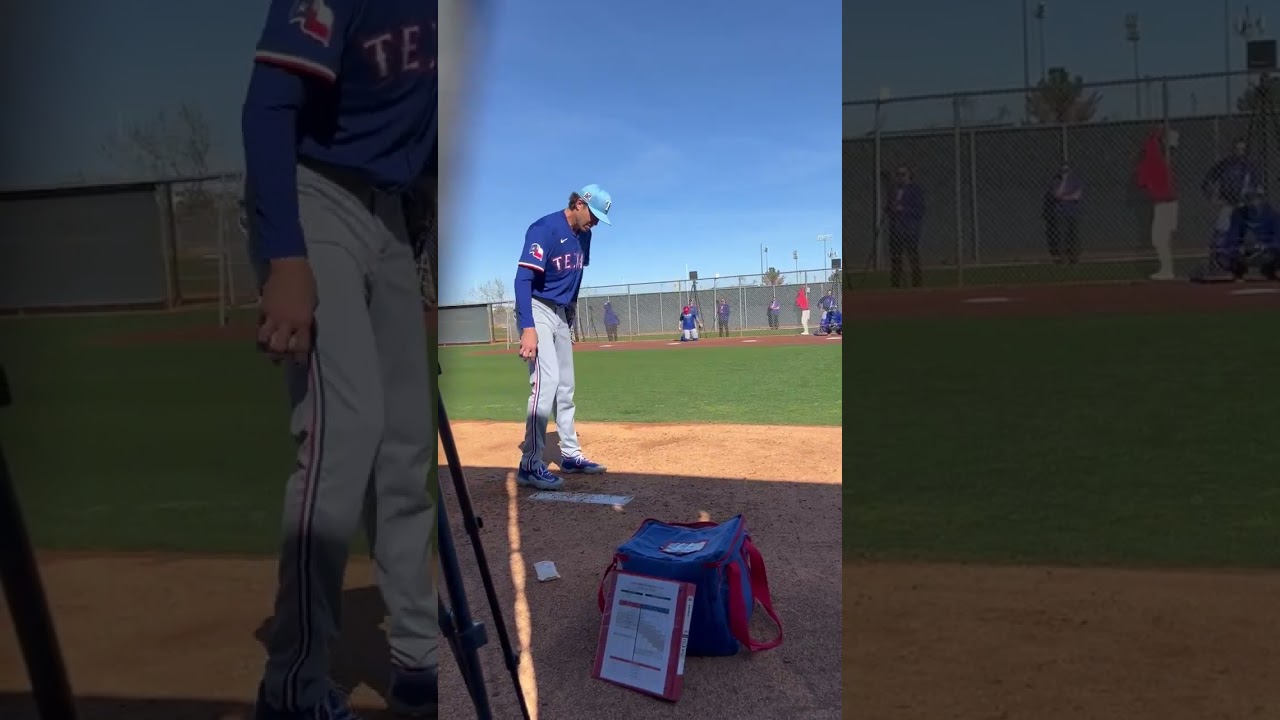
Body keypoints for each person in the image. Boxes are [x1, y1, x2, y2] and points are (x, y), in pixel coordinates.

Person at [241, 1, 438, 718]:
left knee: (407, 442)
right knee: (344, 429)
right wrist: (286, 256)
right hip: (312, 189)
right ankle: (291, 685)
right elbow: (268, 106)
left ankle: (419, 657)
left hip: (394, 216)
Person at [514, 185, 613, 491]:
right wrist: (528, 327)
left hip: (560, 313)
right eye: (593, 215)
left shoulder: (585, 235)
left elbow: (575, 278)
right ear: (579, 203)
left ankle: (570, 454)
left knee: (566, 386)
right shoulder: (544, 229)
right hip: (537, 307)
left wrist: (569, 316)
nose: (594, 222)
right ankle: (530, 464)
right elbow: (523, 279)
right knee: (546, 383)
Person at [1137, 127, 1179, 281]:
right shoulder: (1160, 160)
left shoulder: (1153, 160)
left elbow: (1141, 181)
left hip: (1164, 204)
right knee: (1163, 238)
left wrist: (1156, 132)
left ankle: (1167, 270)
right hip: (1166, 203)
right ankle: (1167, 269)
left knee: (1159, 238)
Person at [1212, 186, 1280, 281]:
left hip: (1266, 253)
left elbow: (1278, 239)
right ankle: (1238, 271)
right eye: (1249, 198)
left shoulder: (1273, 215)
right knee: (1221, 253)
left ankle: (1269, 270)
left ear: (1263, 199)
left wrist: (1265, 246)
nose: (1253, 202)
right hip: (1244, 253)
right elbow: (1232, 237)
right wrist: (1236, 248)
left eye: (1257, 198)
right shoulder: (1239, 214)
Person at [1202, 138, 1258, 249]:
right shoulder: (1224, 164)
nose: (1239, 152)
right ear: (1232, 150)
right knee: (1221, 228)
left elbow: (1256, 185)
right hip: (1228, 202)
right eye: (1237, 149)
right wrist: (1212, 197)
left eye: (1242, 150)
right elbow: (1208, 180)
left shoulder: (1249, 166)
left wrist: (1251, 198)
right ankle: (1218, 253)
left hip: (1244, 203)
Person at [886, 165, 925, 288]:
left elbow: (919, 210)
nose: (900, 177)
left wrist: (903, 210)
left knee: (913, 256)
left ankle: (917, 283)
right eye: (898, 175)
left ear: (909, 176)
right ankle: (895, 284)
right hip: (896, 229)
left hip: (910, 228)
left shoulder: (915, 190)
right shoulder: (894, 191)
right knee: (896, 258)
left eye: (903, 174)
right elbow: (889, 207)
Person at [1044, 162, 1084, 264]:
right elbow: (1056, 195)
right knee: (1060, 235)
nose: (1065, 173)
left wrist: (1064, 197)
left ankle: (1074, 257)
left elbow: (1077, 196)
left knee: (1073, 234)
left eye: (1066, 171)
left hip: (1072, 212)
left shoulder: (1075, 180)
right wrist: (1064, 181)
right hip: (1059, 212)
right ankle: (1062, 257)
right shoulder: (1055, 181)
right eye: (1063, 171)